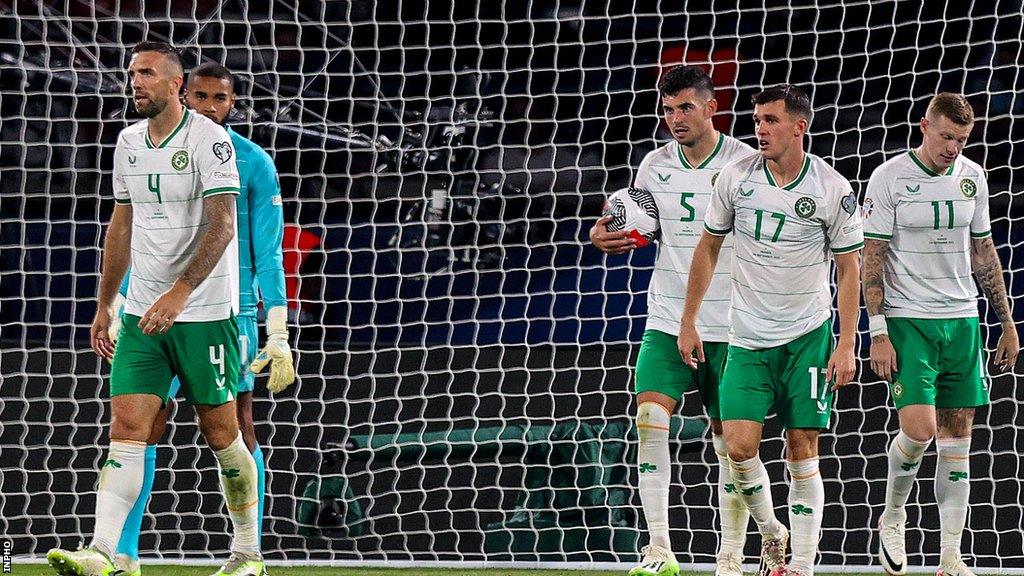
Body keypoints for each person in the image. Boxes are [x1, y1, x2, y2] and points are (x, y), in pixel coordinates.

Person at [46, 41, 262, 576]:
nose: (134, 82)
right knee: (127, 427)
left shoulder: (212, 142)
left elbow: (223, 226)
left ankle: (246, 551)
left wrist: (180, 292)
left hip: (205, 312)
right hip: (143, 314)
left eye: (145, 73)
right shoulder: (126, 143)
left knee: (222, 434)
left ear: (174, 85)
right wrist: (106, 305)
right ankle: (102, 551)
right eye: (131, 73)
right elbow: (121, 225)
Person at [105, 61, 294, 576]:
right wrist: (120, 302)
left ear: (233, 104)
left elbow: (268, 251)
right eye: (201, 96)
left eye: (220, 99)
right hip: (157, 311)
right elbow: (146, 233)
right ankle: (122, 552)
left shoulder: (251, 161)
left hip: (228, 311)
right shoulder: (151, 148)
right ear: (183, 94)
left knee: (235, 429)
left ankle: (247, 550)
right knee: (139, 428)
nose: (209, 106)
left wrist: (277, 328)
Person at [678, 85, 863, 576]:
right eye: (757, 120)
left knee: (803, 448)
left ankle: (800, 565)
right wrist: (689, 320)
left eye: (770, 120)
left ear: (799, 126)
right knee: (737, 448)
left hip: (808, 337)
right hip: (748, 337)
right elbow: (708, 248)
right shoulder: (734, 179)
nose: (759, 128)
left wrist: (847, 343)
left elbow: (849, 268)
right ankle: (771, 533)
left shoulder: (833, 188)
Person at [591, 65, 754, 576]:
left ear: (711, 107)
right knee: (649, 420)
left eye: (685, 107)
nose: (674, 118)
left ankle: (731, 554)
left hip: (731, 321)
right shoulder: (652, 166)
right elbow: (640, 228)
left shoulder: (746, 164)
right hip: (666, 315)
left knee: (730, 441)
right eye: (667, 109)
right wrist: (607, 234)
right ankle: (659, 549)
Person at [863, 92, 1019, 576]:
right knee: (919, 430)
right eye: (947, 136)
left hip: (963, 321)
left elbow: (983, 254)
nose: (953, 147)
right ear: (924, 126)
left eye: (962, 139)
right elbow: (872, 257)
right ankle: (893, 515)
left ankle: (952, 554)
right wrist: (878, 330)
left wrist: (1007, 324)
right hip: (909, 320)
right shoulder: (889, 177)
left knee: (958, 441)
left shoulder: (973, 177)